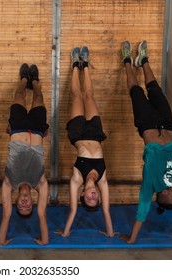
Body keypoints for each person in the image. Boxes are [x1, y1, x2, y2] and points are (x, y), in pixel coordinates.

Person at [119, 40, 172, 244]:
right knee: (155, 89)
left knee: (136, 91)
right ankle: (143, 60)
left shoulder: (151, 184)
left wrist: (131, 239)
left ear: (163, 193)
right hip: (167, 125)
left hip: (148, 126)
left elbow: (142, 212)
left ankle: (126, 60)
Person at [55, 46, 116, 238]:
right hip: (96, 134)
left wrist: (65, 234)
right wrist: (111, 233)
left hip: (78, 134)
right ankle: (86, 64)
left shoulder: (76, 180)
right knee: (89, 96)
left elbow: (73, 211)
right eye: (95, 199)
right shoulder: (103, 181)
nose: (93, 197)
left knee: (77, 96)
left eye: (89, 200)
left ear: (82, 195)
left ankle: (75, 64)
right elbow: (107, 211)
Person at [0, 63, 49, 246]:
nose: (25, 204)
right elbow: (42, 215)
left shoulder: (9, 183)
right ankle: (34, 81)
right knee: (39, 97)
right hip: (37, 130)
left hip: (17, 127)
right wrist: (44, 241)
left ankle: (24, 79)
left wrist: (2, 242)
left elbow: (5, 215)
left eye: (21, 206)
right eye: (28, 207)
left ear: (17, 201)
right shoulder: (40, 183)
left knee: (19, 95)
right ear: (33, 202)